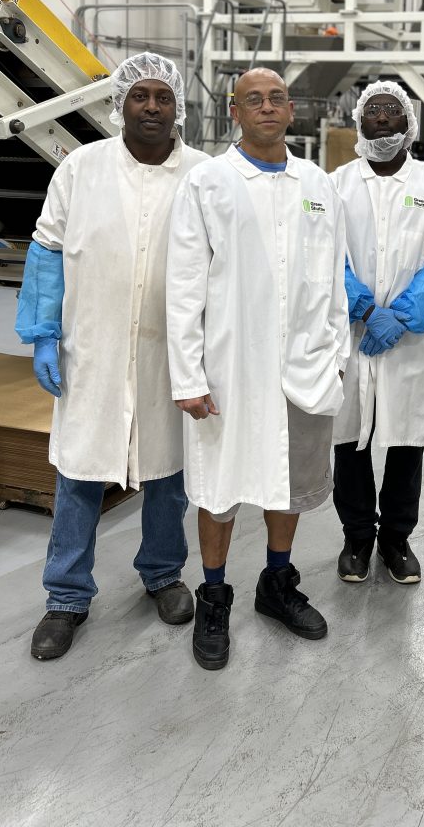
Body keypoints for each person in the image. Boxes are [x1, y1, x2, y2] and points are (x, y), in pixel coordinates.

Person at [17, 52, 209, 661]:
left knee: (167, 471)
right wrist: (44, 332)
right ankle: (66, 596)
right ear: (119, 102)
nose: (151, 106)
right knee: (79, 470)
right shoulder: (81, 168)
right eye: (139, 96)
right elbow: (47, 252)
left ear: (178, 106)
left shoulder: (203, 175)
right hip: (93, 347)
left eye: (163, 97)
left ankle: (163, 573)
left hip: (172, 352)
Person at [166, 67, 349, 672]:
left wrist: (335, 356)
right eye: (253, 100)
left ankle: (276, 584)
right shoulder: (209, 182)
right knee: (221, 487)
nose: (266, 107)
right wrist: (188, 376)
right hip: (229, 368)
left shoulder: (319, 184)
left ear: (290, 108)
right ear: (235, 111)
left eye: (275, 98)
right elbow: (184, 283)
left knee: (289, 480)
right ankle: (214, 594)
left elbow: (334, 282)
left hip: (304, 367)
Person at [331, 81, 424, 584]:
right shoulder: (335, 184)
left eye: (393, 110)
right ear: (359, 121)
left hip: (411, 340)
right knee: (349, 440)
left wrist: (402, 315)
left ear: (409, 124)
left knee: (406, 442)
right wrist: (361, 305)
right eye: (374, 110)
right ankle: (357, 539)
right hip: (351, 333)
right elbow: (321, 252)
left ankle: (397, 541)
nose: (383, 117)